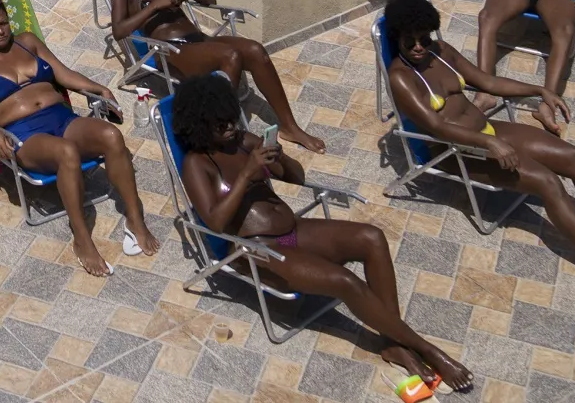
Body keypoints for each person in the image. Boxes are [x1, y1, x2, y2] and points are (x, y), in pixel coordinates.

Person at [173, 73, 473, 393]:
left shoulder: (245, 142)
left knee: (372, 237)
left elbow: (298, 178)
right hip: (257, 251)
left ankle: (392, 342)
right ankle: (426, 349)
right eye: (218, 124)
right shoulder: (197, 164)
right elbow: (216, 223)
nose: (229, 127)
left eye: (229, 118)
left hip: (293, 231)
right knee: (345, 282)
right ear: (200, 125)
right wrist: (247, 175)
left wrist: (281, 161)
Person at [382, 0, 575, 297]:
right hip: (457, 151)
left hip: (487, 131)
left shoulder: (440, 52)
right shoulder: (401, 77)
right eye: (410, 41)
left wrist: (539, 90)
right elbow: (437, 127)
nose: (419, 46)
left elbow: (487, 82)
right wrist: (488, 143)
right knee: (547, 182)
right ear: (397, 38)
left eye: (425, 38)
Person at [0, 0, 160, 277]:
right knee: (67, 153)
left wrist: (98, 89)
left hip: (62, 119)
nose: (1, 30)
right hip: (24, 134)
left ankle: (135, 220)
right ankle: (82, 239)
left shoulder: (27, 42)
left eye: (4, 23)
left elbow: (62, 74)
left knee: (111, 136)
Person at [105, 0, 326, 153]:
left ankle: (290, 127)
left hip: (200, 42)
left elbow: (210, 0)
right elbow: (119, 31)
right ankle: (221, 127)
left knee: (255, 50)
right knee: (229, 55)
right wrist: (154, 6)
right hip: (171, 51)